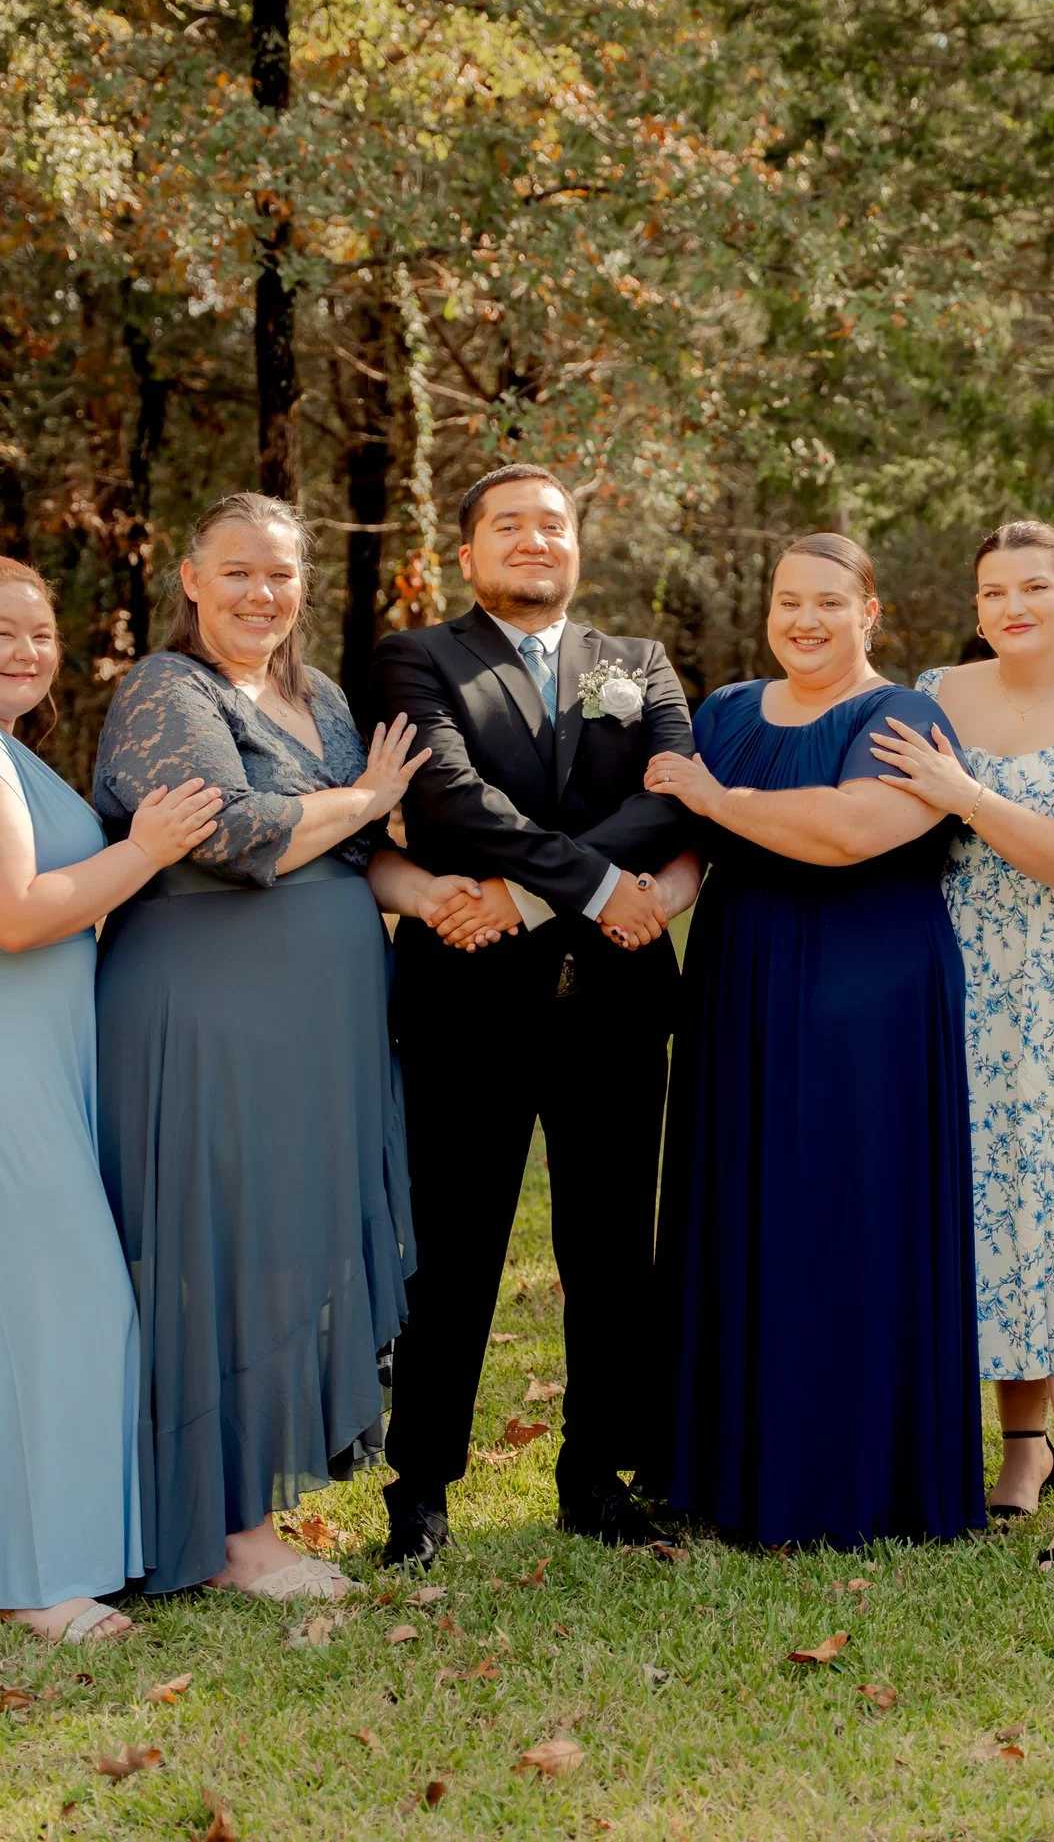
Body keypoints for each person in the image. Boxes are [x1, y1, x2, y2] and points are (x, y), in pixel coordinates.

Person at [94, 493, 477, 1601]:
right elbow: (223, 831)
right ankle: (223, 1532)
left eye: (282, 573)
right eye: (239, 571)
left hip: (325, 1021)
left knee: (281, 1258)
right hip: (210, 1009)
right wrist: (364, 799)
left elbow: (356, 852)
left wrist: (438, 892)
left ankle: (246, 1506)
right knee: (210, 1253)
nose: (263, 593)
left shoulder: (320, 696)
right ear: (190, 577)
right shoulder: (166, 688)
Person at [0, 555, 222, 1643]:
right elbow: (14, 913)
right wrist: (145, 850)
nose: (28, 652)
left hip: (20, 1044)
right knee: (58, 1297)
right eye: (1, 633)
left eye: (42, 635)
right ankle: (27, 1576)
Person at [370, 463, 701, 1565]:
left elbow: (668, 791)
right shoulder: (416, 657)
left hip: (612, 999)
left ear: (577, 548)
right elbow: (447, 796)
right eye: (507, 525)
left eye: (551, 525)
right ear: (466, 553)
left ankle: (596, 1475)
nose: (533, 540)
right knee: (453, 1245)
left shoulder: (638, 663)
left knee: (611, 1246)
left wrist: (532, 890)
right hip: (467, 996)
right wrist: (598, 883)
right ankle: (419, 1487)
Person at [647, 533, 982, 1549]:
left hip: (864, 991)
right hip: (741, 978)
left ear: (869, 613)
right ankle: (726, 1471)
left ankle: (850, 1477)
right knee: (743, 1203)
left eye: (829, 602)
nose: (805, 619)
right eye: (789, 600)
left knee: (842, 1209)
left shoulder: (903, 715)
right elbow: (688, 854)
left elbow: (849, 830)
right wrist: (635, 902)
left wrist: (714, 798)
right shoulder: (726, 711)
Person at [870, 520, 1054, 1565]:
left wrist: (964, 793)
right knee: (986, 1216)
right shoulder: (933, 694)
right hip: (960, 983)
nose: (1013, 606)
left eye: (1034, 586)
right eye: (993, 589)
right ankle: (1021, 1448)